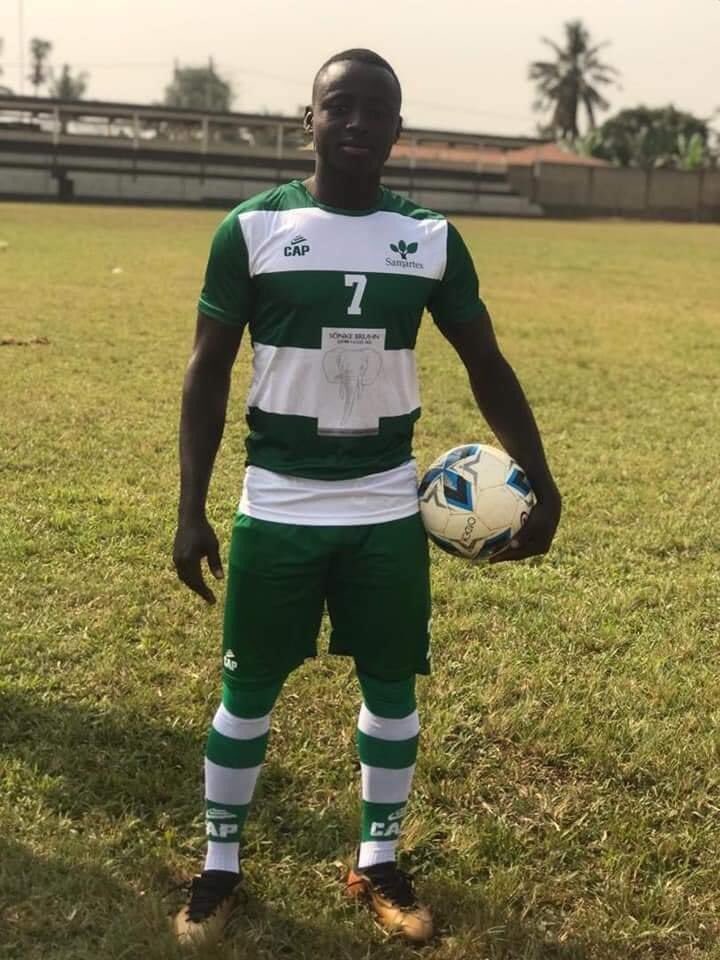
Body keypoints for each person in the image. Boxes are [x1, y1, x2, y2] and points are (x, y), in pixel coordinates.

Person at [171, 48, 561, 947]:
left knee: (392, 690)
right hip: (278, 505)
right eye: (338, 106)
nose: (355, 124)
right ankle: (220, 867)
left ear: (397, 129)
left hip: (386, 507)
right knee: (246, 693)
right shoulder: (253, 229)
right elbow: (205, 373)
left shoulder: (427, 237)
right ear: (307, 120)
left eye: (374, 110)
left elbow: (486, 362)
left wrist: (542, 482)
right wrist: (191, 509)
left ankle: (377, 860)